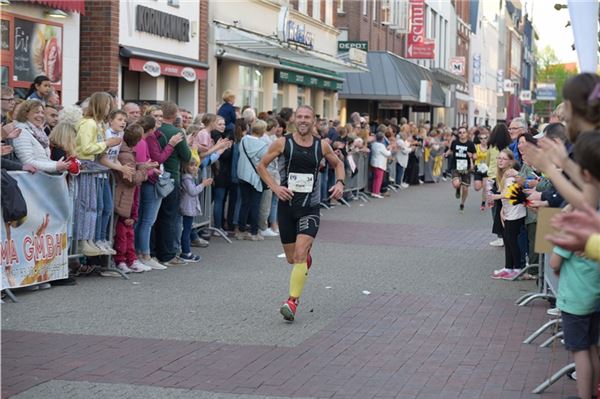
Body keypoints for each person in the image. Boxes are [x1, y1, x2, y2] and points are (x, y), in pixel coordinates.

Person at [257, 105, 345, 322]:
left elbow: (339, 163)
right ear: (294, 120)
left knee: (299, 253)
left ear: (314, 121)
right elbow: (262, 166)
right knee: (292, 259)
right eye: (300, 117)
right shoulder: (282, 143)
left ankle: (292, 302)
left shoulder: (321, 145)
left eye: (308, 117)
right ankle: (303, 261)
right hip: (287, 208)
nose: (304, 120)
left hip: (310, 208)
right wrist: (276, 187)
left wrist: (340, 183)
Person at [549, 243, 600, 399]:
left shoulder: (572, 231)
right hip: (594, 297)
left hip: (574, 301)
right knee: (592, 348)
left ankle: (584, 396)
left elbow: (554, 262)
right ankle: (593, 393)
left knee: (580, 351)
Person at [154, 101, 192, 266]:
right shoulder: (176, 132)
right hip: (171, 177)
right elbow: (187, 155)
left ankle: (154, 251)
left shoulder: (156, 131)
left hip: (155, 176)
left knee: (155, 217)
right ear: (175, 114)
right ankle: (168, 254)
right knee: (169, 217)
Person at [113, 124, 155, 274]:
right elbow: (131, 179)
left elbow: (133, 168)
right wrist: (144, 169)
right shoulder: (125, 154)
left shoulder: (127, 153)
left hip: (129, 197)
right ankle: (121, 260)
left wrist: (143, 165)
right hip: (123, 197)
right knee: (122, 234)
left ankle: (131, 259)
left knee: (129, 232)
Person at [490, 149, 525, 280]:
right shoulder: (503, 175)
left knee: (512, 240)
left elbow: (509, 194)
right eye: (499, 158)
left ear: (510, 161)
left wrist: (494, 196)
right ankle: (508, 267)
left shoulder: (511, 175)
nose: (500, 161)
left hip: (516, 212)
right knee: (507, 239)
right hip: (508, 211)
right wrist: (501, 209)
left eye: (503, 159)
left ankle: (516, 268)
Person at [12, 100, 71, 173]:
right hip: (30, 180)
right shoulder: (21, 132)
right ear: (26, 114)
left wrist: (61, 165)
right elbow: (27, 162)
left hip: (40, 178)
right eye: (37, 112)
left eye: (42, 112)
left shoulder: (39, 132)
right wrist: (55, 166)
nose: (41, 115)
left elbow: (44, 159)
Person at [236, 119, 269, 241]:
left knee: (244, 204)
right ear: (263, 131)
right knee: (255, 204)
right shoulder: (263, 146)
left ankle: (241, 230)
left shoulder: (243, 140)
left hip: (242, 174)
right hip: (256, 177)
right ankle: (254, 232)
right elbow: (265, 163)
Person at [179, 158, 213, 262]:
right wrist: (203, 184)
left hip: (189, 207)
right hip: (187, 208)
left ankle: (185, 251)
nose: (194, 167)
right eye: (191, 165)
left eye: (196, 165)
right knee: (186, 230)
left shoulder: (189, 178)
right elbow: (193, 191)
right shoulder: (186, 179)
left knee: (187, 229)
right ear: (186, 166)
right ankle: (186, 252)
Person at [444, 127, 476, 213]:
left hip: (466, 168)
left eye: (464, 132)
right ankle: (458, 189)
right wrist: (446, 154)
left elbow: (475, 155)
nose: (462, 134)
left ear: (467, 134)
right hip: (456, 166)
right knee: (456, 184)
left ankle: (462, 204)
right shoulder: (455, 142)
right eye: (460, 132)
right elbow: (451, 150)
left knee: (465, 189)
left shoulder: (470, 144)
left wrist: (472, 156)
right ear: (458, 134)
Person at [370, 132, 392, 198]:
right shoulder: (381, 146)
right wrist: (390, 149)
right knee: (379, 179)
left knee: (375, 178)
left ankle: (375, 191)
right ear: (382, 139)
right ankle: (376, 192)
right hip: (380, 163)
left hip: (375, 162)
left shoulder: (374, 144)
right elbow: (387, 154)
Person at [473, 131, 489, 211]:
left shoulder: (490, 147)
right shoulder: (476, 147)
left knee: (486, 188)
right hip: (478, 168)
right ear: (479, 139)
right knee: (477, 188)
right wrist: (474, 156)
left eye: (485, 138)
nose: (483, 140)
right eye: (481, 138)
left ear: (487, 139)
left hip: (486, 168)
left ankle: (483, 203)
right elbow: (473, 155)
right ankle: (482, 183)